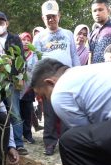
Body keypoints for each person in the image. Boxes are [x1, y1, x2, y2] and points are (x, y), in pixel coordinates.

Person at [30, 58, 111, 165]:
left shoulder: (61, 91)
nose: (46, 100)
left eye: (44, 96)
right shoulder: (87, 72)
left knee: (70, 142)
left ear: (50, 82)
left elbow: (90, 152)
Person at [33, 0, 80, 155]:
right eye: (47, 17)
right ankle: (50, 143)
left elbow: (74, 55)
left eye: (53, 16)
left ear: (59, 16)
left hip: (67, 79)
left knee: (68, 110)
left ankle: (68, 142)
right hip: (48, 82)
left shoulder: (68, 34)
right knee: (49, 112)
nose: (50, 19)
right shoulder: (39, 37)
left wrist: (77, 73)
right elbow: (35, 60)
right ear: (43, 18)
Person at [0, 12, 28, 155]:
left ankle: (18, 144)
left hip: (10, 80)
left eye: (1, 21)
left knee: (14, 111)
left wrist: (17, 76)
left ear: (7, 23)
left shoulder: (14, 38)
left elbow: (21, 59)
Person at [19, 32, 41, 144]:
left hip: (28, 89)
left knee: (27, 112)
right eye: (23, 39)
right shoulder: (16, 54)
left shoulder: (34, 55)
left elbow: (36, 70)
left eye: (28, 40)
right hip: (17, 88)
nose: (26, 42)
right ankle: (17, 136)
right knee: (17, 113)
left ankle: (27, 134)